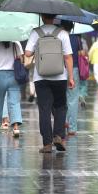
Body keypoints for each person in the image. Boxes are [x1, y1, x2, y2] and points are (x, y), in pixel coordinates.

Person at [25, 13, 74, 153]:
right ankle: (58, 135)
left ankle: (47, 143)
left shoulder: (36, 32)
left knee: (44, 109)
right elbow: (68, 57)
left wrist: (37, 49)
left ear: (41, 16)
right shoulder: (63, 33)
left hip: (41, 77)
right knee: (60, 107)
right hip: (60, 76)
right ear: (54, 17)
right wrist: (71, 77)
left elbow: (28, 53)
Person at [0, 41, 24, 137]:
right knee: (14, 102)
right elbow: (22, 60)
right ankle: (15, 127)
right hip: (14, 76)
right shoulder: (16, 45)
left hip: (0, 76)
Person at [60, 20, 82, 135]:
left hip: (59, 70)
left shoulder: (58, 37)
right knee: (73, 99)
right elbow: (81, 54)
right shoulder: (76, 38)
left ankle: (62, 122)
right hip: (74, 69)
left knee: (60, 98)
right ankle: (72, 128)